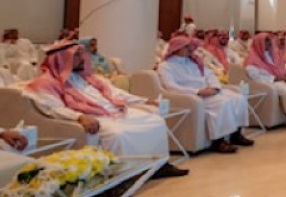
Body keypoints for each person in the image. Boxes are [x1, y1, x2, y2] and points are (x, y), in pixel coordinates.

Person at [24, 42, 187, 177]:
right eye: (77, 55)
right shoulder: (45, 83)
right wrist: (79, 117)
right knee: (118, 135)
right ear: (62, 59)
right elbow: (53, 108)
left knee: (156, 121)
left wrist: (145, 100)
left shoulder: (89, 77)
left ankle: (158, 165)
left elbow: (116, 93)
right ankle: (120, 178)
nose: (83, 58)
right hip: (94, 117)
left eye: (82, 54)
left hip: (115, 112)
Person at [157, 35, 251, 153]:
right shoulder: (166, 66)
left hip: (208, 91)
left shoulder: (194, 61)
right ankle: (218, 141)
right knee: (222, 103)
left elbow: (210, 75)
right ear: (176, 48)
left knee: (239, 98)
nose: (190, 49)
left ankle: (236, 134)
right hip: (192, 96)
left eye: (190, 46)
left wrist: (214, 87)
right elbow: (171, 86)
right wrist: (198, 91)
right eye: (186, 47)